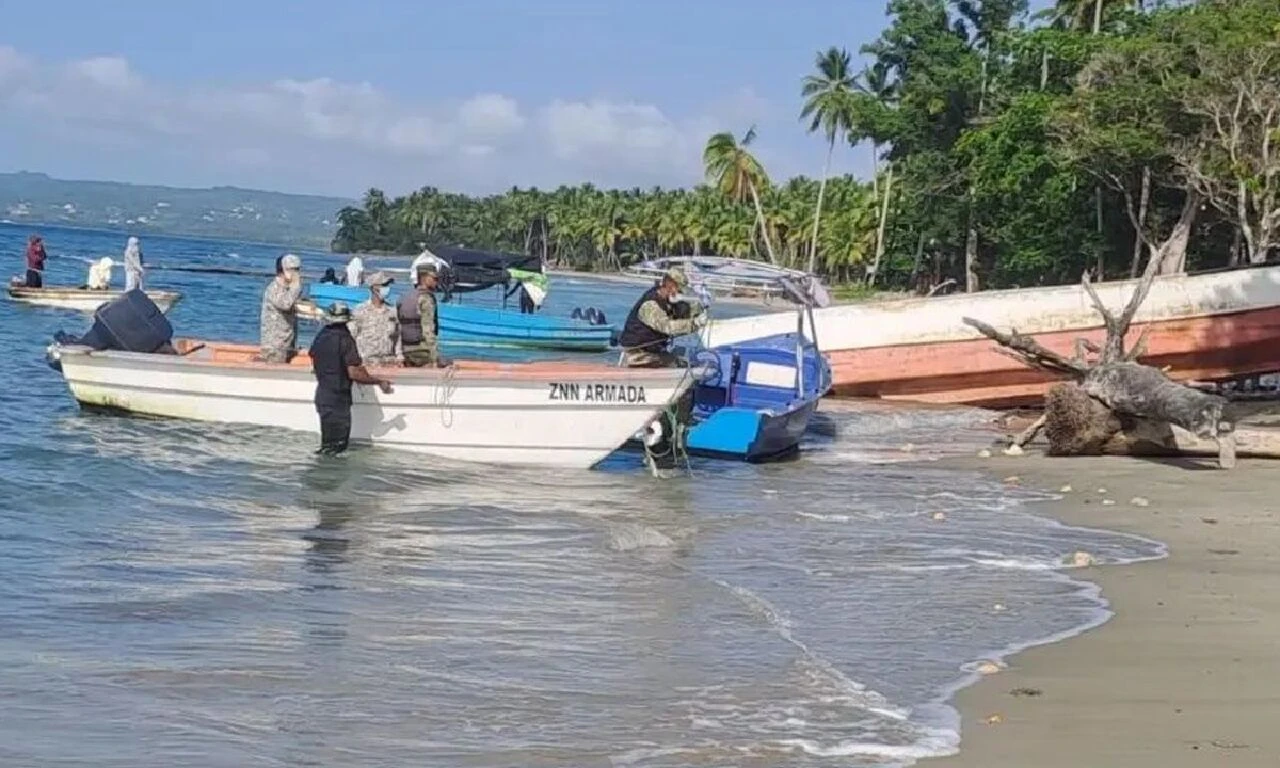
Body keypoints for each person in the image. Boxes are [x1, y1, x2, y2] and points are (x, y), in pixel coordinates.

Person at [308, 302, 393, 456]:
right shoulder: (345, 340)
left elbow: (315, 361)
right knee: (338, 448)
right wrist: (378, 381)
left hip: (323, 395)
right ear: (347, 320)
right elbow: (354, 373)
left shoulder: (321, 337)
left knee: (326, 446)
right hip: (338, 399)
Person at [617, 267, 708, 367]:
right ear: (669, 286)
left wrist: (701, 307)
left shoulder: (671, 303)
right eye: (679, 290)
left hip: (654, 352)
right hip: (636, 354)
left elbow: (685, 311)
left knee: (686, 361)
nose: (680, 293)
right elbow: (667, 327)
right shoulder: (650, 305)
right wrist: (694, 323)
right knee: (679, 365)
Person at [259, 253, 303, 363]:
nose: (296, 274)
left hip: (286, 344)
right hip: (275, 347)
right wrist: (296, 287)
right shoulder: (274, 289)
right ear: (283, 270)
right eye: (293, 270)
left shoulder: (287, 289)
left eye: (297, 270)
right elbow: (285, 304)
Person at [398, 261, 443, 367]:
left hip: (404, 349)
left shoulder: (404, 297)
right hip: (421, 350)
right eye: (434, 279)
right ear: (424, 278)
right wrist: (435, 358)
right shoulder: (426, 299)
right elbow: (428, 331)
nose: (437, 282)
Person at [350, 271, 399, 365]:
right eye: (384, 285)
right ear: (374, 288)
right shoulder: (360, 310)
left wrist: (399, 356)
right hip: (366, 362)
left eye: (388, 285)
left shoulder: (392, 311)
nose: (387, 288)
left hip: (388, 362)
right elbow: (351, 336)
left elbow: (397, 337)